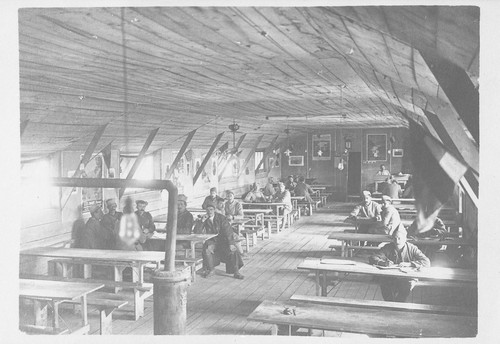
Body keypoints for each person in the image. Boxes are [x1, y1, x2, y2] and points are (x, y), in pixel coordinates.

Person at [369, 226, 430, 302]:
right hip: (391, 276)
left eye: (399, 238)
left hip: (407, 277)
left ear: (405, 239)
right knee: (384, 285)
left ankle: (398, 305)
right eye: (395, 238)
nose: (397, 241)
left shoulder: (412, 248)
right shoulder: (388, 247)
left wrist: (410, 264)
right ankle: (390, 304)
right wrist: (384, 263)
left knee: (405, 290)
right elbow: (373, 257)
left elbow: (426, 261)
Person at [199, 203, 244, 279]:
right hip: (212, 240)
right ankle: (211, 270)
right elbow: (197, 231)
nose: (209, 212)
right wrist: (202, 221)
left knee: (233, 250)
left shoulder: (221, 218)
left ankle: (236, 272)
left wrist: (231, 243)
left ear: (214, 210)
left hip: (223, 240)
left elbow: (228, 231)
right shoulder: (205, 219)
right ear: (205, 211)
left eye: (211, 209)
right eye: (207, 210)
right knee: (207, 249)